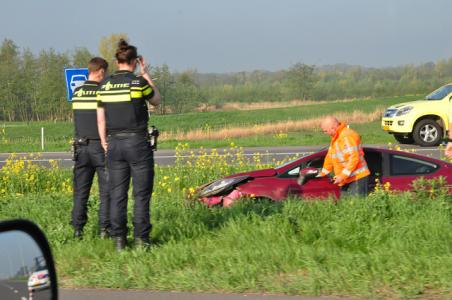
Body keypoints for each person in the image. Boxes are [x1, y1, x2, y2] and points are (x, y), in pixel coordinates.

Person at [97, 39, 161, 251]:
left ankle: (119, 241)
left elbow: (100, 118)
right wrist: (145, 74)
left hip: (114, 143)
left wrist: (105, 142)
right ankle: (141, 240)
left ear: (117, 61)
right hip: (137, 142)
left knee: (117, 193)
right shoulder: (138, 83)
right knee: (141, 194)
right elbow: (156, 100)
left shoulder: (104, 86)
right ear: (135, 62)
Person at [71, 57, 110, 239]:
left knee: (80, 192)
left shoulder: (77, 92)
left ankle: (78, 230)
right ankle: (104, 229)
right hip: (99, 147)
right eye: (105, 73)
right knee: (106, 191)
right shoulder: (102, 92)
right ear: (101, 71)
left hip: (80, 147)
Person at [318, 116, 370, 197]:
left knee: (356, 207)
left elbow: (353, 158)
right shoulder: (336, 138)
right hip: (345, 179)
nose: (326, 133)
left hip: (357, 178)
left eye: (325, 131)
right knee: (346, 206)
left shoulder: (346, 136)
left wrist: (342, 176)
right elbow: (330, 158)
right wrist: (322, 174)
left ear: (333, 128)